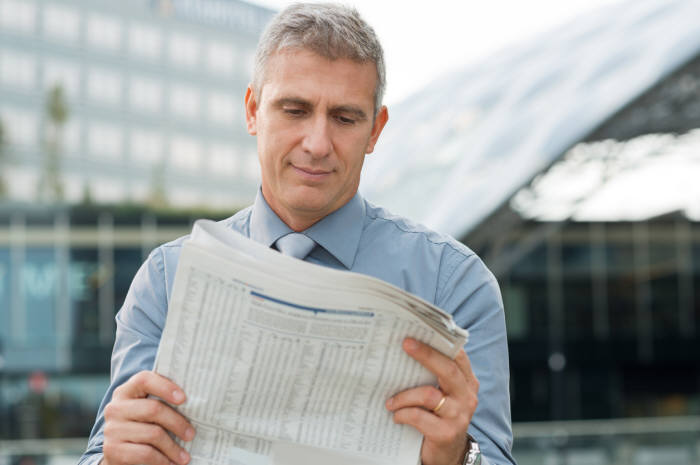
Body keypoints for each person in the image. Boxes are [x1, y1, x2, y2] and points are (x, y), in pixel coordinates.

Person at [79, 3, 515, 465]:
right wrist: (114, 460)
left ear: (375, 130)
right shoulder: (166, 280)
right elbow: (101, 453)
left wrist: (455, 456)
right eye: (295, 110)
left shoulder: (453, 285)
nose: (318, 143)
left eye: (345, 118)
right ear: (252, 110)